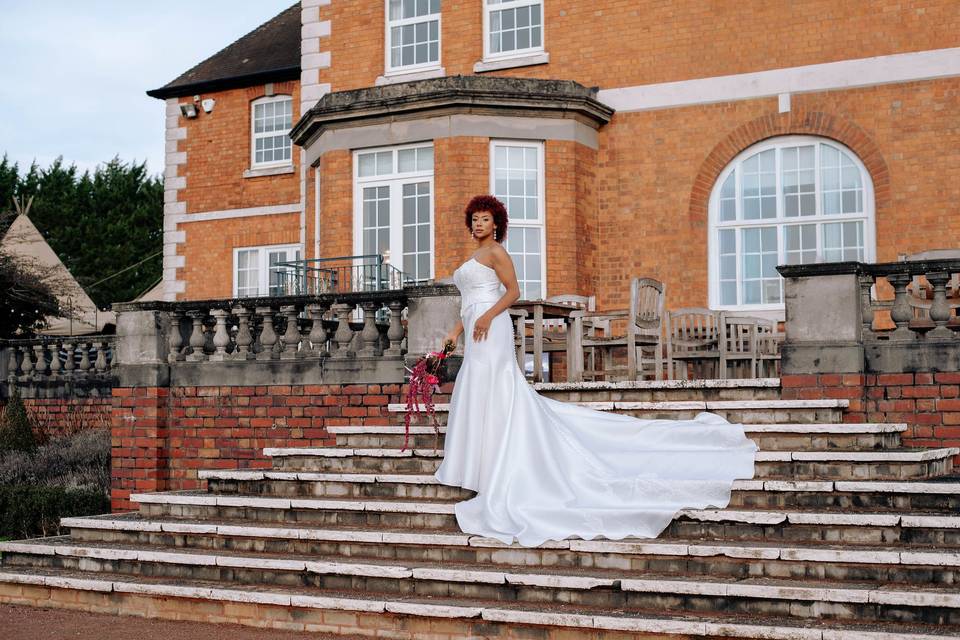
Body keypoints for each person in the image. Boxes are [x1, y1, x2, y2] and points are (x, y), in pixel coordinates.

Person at [434, 194, 758, 548]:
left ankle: (498, 464)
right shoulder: (473, 257)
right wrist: (454, 332)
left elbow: (513, 292)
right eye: (475, 219)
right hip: (474, 326)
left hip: (491, 326)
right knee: (477, 386)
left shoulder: (497, 252)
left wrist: (486, 316)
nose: (479, 224)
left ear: (496, 224)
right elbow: (467, 302)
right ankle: (480, 464)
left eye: (485, 219)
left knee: (497, 386)